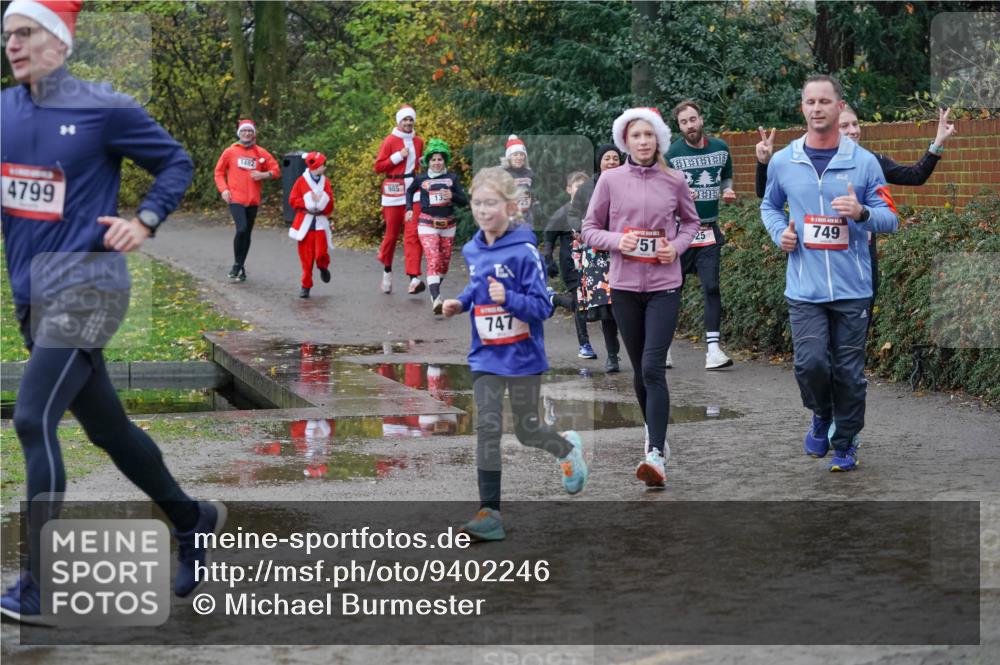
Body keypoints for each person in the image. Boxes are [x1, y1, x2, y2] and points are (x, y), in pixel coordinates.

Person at [1, 0, 225, 624]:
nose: (13, 45)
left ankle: (38, 587)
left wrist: (144, 219)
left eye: (25, 33)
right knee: (108, 430)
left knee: (31, 417)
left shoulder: (103, 107)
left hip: (88, 286)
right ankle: (193, 520)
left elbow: (175, 162)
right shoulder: (4, 112)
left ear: (60, 40)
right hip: (31, 294)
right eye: (7, 36)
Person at [760, 74, 899, 472]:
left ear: (840, 107)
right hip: (804, 288)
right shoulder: (785, 161)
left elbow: (892, 219)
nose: (817, 108)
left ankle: (846, 440)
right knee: (811, 364)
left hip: (854, 287)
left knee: (850, 373)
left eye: (825, 101)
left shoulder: (864, 161)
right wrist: (779, 234)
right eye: (810, 102)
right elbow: (769, 207)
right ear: (802, 108)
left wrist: (862, 213)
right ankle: (821, 412)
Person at [442, 167, 588, 541]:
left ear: (510, 207)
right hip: (485, 356)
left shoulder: (525, 251)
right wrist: (461, 302)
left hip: (522, 358)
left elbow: (542, 307)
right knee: (487, 428)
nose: (482, 210)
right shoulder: (473, 247)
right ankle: (490, 512)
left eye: (491, 203)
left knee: (526, 430)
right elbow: (479, 286)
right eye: (477, 203)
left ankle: (566, 449)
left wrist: (510, 300)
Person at [581, 108, 701, 488]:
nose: (644, 141)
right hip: (625, 287)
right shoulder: (610, 180)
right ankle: (654, 432)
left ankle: (655, 455)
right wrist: (620, 241)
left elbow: (692, 223)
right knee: (639, 372)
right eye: (636, 136)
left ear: (659, 140)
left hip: (665, 285)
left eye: (649, 135)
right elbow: (589, 229)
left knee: (652, 368)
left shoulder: (675, 180)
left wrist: (677, 248)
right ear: (625, 141)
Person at [666, 100, 736, 370]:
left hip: (708, 229)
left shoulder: (720, 148)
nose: (690, 126)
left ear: (701, 119)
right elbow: (663, 191)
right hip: (680, 233)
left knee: (712, 287)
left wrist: (727, 191)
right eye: (684, 122)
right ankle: (665, 349)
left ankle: (713, 350)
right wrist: (680, 196)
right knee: (672, 292)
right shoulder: (672, 154)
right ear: (679, 126)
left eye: (693, 119)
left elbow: (726, 176)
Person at [566, 145, 626, 372]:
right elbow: (573, 214)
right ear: (599, 162)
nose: (611, 161)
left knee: (626, 304)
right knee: (606, 308)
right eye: (607, 158)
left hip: (623, 249)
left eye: (615, 158)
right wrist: (580, 229)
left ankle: (640, 352)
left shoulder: (628, 182)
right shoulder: (588, 187)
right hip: (597, 253)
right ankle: (612, 355)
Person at [543, 171, 604, 363]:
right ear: (569, 189)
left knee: (589, 305)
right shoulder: (563, 212)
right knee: (580, 302)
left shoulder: (594, 210)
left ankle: (555, 299)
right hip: (571, 263)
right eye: (577, 187)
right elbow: (548, 235)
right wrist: (548, 259)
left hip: (592, 262)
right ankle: (584, 344)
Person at [404, 138, 468, 314]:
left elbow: (464, 201)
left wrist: (452, 196)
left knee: (443, 264)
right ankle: (436, 298)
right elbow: (409, 191)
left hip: (448, 224)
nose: (437, 163)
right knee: (433, 259)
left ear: (444, 160)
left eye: (440, 159)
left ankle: (433, 288)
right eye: (433, 160)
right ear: (428, 162)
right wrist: (409, 209)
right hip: (427, 223)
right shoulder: (421, 178)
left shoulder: (452, 178)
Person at [213, 118, 279, 282]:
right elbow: (219, 172)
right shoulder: (230, 151)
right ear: (239, 133)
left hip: (253, 200)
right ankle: (237, 265)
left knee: (247, 234)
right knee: (241, 229)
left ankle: (241, 267)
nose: (247, 133)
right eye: (244, 131)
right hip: (236, 198)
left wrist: (264, 174)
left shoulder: (261, 153)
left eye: (250, 131)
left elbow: (276, 170)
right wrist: (224, 190)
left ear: (254, 133)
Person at [374, 104, 425, 295]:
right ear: (399, 122)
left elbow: (419, 162)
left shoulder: (419, 141)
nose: (408, 123)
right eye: (405, 119)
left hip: (413, 190)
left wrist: (423, 163)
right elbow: (378, 167)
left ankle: (413, 278)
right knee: (392, 234)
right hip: (393, 191)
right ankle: (387, 269)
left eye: (411, 119)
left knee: (413, 234)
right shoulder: (390, 140)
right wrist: (397, 157)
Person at [288, 151, 334, 298]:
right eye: (322, 165)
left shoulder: (325, 182)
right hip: (305, 224)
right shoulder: (301, 182)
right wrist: (308, 201)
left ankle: (323, 267)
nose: (324, 168)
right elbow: (293, 200)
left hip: (320, 223)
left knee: (321, 253)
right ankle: (305, 285)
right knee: (306, 258)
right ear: (315, 166)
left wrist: (323, 201)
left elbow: (330, 203)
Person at [501, 135, 541, 230]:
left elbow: (534, 192)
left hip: (527, 217)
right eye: (515, 155)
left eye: (521, 154)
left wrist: (536, 205)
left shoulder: (529, 173)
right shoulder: (503, 173)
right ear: (509, 157)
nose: (519, 157)